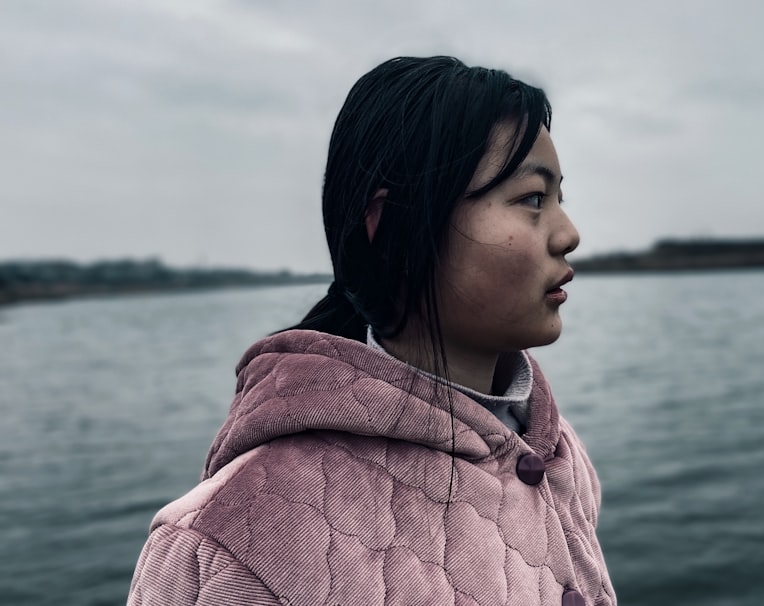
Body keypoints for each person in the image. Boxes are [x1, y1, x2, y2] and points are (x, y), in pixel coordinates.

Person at [127, 56, 617, 606]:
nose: (569, 234)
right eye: (532, 199)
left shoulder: (555, 449)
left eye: (559, 199)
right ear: (389, 224)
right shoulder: (224, 544)